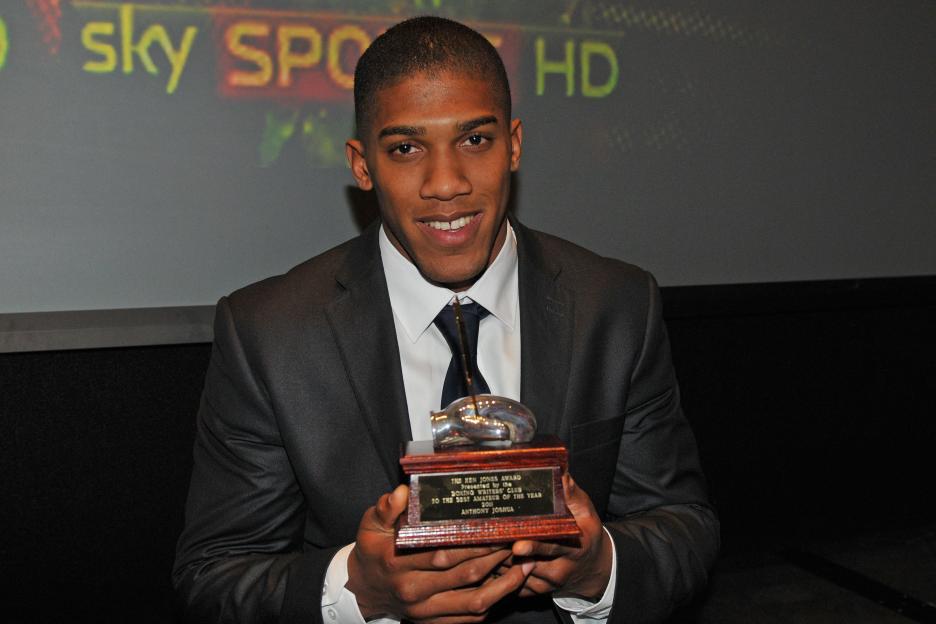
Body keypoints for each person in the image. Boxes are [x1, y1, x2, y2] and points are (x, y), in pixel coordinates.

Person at [173, 15, 718, 624]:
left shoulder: (615, 306)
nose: (446, 184)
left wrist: (598, 567)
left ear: (514, 145)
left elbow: (685, 529)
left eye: (475, 140)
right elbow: (215, 573)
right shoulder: (270, 334)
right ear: (362, 165)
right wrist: (359, 591)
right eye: (406, 149)